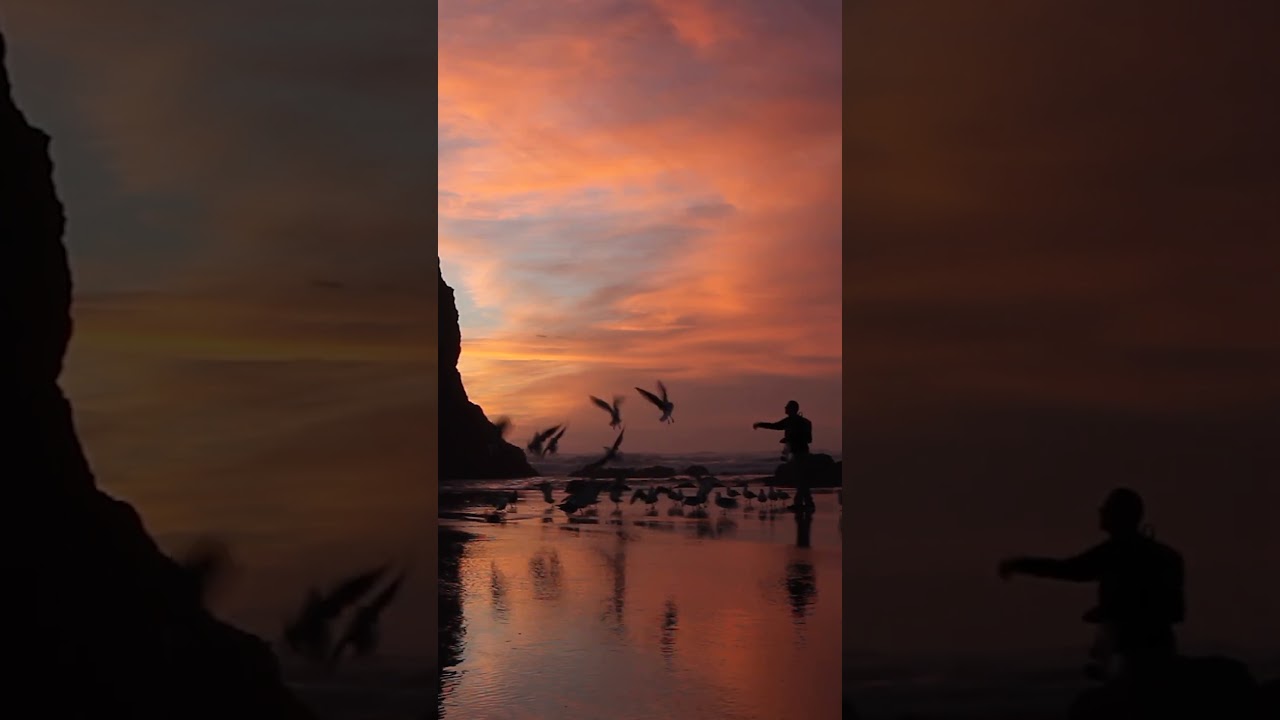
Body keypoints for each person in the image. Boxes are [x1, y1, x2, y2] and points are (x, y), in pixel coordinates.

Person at [998, 487, 1185, 682]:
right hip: (1161, 647)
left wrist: (1019, 565)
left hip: (1131, 650)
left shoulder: (1115, 553)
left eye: (1106, 509)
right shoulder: (1168, 556)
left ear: (1118, 515)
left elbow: (1067, 569)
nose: (1101, 513)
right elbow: (1176, 612)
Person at [752, 400, 816, 513]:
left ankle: (801, 503)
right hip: (802, 452)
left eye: (786, 407)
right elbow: (808, 439)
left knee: (800, 478)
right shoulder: (804, 422)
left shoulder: (792, 421)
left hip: (798, 453)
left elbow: (775, 426)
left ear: (791, 409)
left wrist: (760, 424)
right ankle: (807, 502)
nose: (784, 408)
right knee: (801, 478)